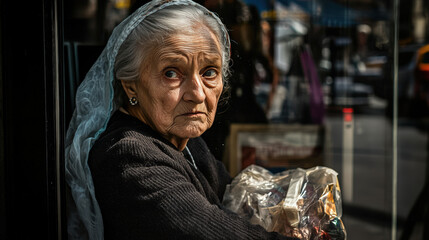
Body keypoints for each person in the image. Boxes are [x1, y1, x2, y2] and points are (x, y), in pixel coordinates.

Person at [65, 0, 299, 239]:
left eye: (209, 72)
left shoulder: (182, 138)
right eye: (171, 73)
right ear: (131, 86)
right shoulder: (128, 156)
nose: (197, 93)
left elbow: (235, 195)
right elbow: (214, 232)